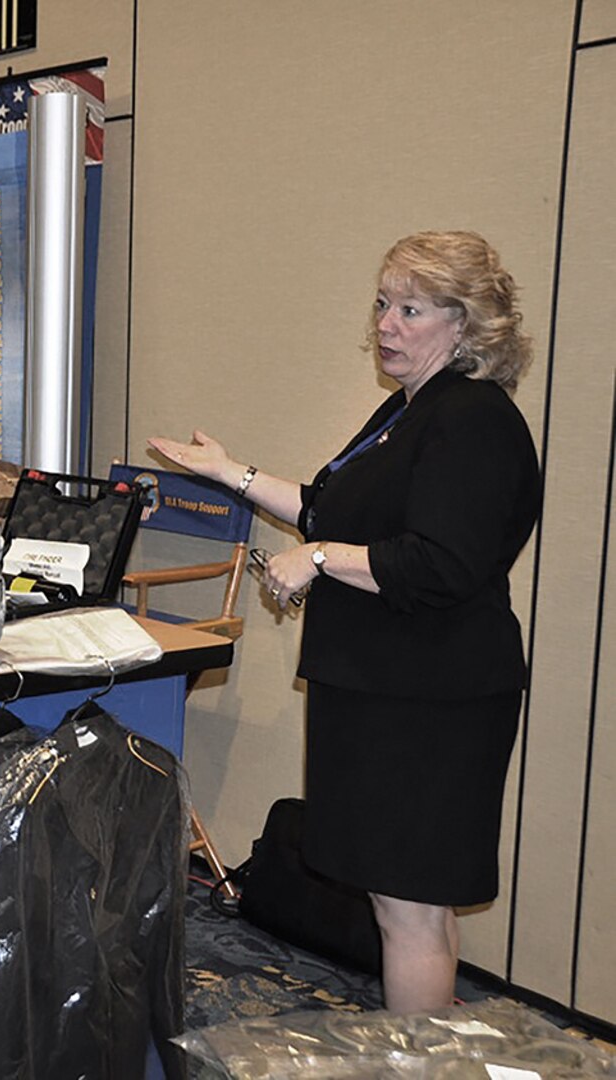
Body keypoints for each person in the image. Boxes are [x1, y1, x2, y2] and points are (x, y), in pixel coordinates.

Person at [148, 231, 539, 1014]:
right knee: (404, 908)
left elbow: (440, 564)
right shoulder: (410, 410)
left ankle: (417, 1065)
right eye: (383, 304)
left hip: (430, 702)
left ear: (465, 324)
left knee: (411, 912)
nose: (386, 325)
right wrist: (232, 473)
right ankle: (421, 1058)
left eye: (411, 310)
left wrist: (320, 559)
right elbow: (331, 506)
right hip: (382, 689)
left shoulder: (473, 420)